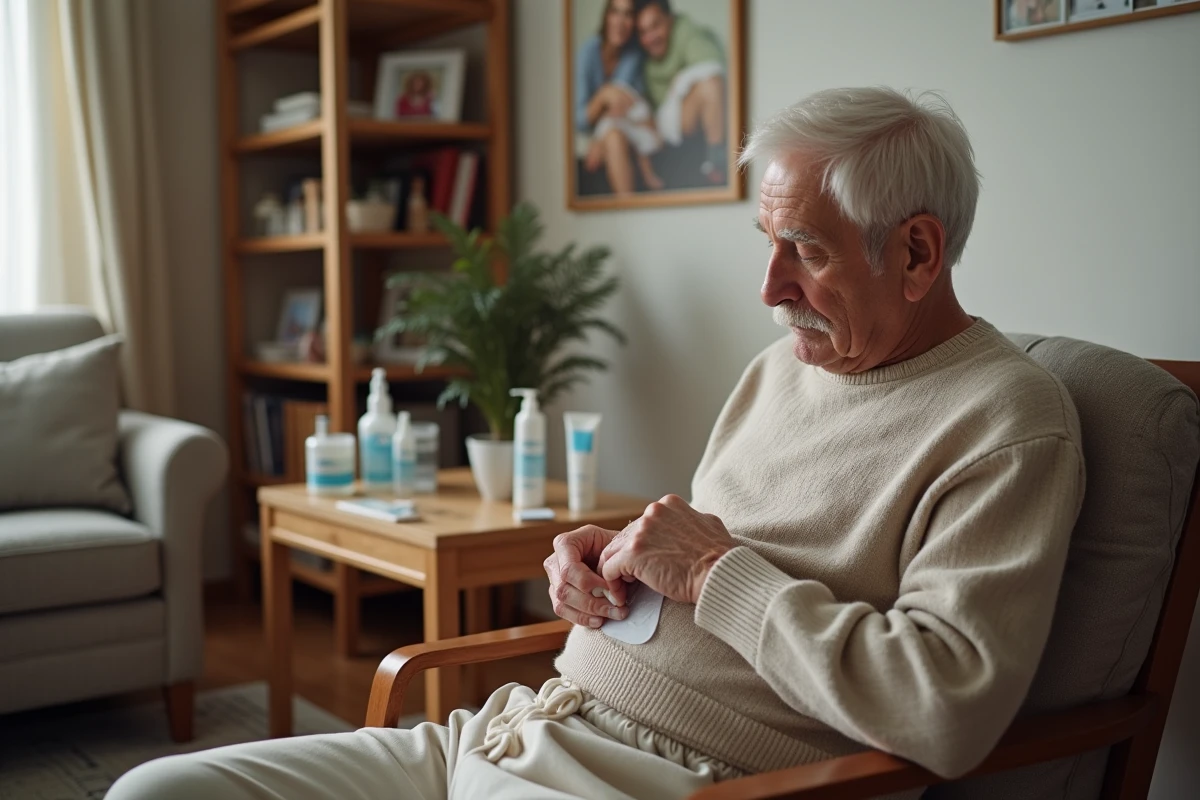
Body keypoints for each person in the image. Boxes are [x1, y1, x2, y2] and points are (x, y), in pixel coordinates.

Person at [107, 87, 1085, 800]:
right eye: (767, 241)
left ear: (917, 251)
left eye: (808, 250)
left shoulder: (1006, 424)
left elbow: (944, 707)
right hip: (521, 725)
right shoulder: (782, 368)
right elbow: (714, 555)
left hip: (685, 779)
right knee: (154, 792)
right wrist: (610, 565)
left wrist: (711, 570)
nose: (769, 287)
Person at [575, 0, 664, 194]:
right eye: (615, 12)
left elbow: (628, 105)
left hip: (621, 128)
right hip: (590, 135)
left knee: (614, 136)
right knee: (614, 136)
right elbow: (579, 120)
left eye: (628, 14)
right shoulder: (588, 52)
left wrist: (601, 135)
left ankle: (628, 208)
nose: (620, 22)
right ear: (606, 16)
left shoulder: (634, 57)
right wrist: (603, 95)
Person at [635, 0, 728, 184]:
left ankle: (717, 164)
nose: (651, 37)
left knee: (711, 85)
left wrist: (680, 83)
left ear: (670, 20)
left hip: (681, 119)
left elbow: (713, 66)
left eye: (656, 25)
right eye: (643, 31)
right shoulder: (637, 58)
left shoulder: (687, 32)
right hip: (655, 129)